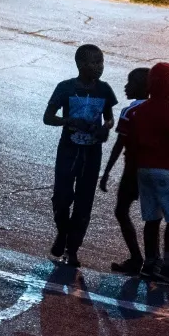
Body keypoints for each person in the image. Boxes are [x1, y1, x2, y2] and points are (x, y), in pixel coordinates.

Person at [42, 44, 117, 267]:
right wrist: (68, 121)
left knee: (84, 203)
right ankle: (63, 232)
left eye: (101, 62)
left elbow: (109, 118)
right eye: (94, 62)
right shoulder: (65, 88)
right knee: (62, 198)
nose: (99, 67)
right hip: (68, 150)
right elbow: (48, 117)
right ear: (80, 64)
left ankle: (72, 249)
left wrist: (105, 127)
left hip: (92, 153)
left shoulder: (104, 90)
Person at [122, 61, 169, 285]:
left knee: (152, 217)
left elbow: (131, 142)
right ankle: (168, 264)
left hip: (143, 169)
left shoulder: (140, 110)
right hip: (165, 169)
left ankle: (151, 262)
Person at [99, 66, 151, 275]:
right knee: (152, 218)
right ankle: (153, 261)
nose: (126, 86)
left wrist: (107, 171)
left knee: (122, 211)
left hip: (133, 170)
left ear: (139, 87)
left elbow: (119, 143)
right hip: (152, 168)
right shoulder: (157, 109)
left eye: (130, 83)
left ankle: (137, 258)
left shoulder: (129, 112)